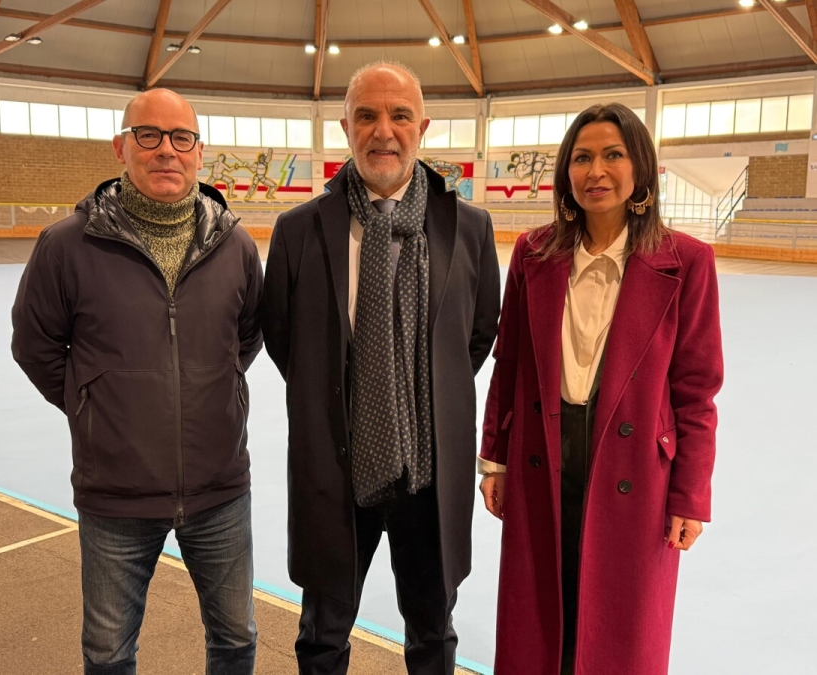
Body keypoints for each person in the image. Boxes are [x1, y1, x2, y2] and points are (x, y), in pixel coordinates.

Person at [11, 88, 262, 675]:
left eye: (181, 137)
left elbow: (246, 337)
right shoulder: (66, 245)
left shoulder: (236, 246)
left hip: (220, 489)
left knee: (236, 639)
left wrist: (212, 388)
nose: (166, 150)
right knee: (108, 652)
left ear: (199, 152)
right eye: (148, 135)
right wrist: (95, 404)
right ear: (120, 147)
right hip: (114, 495)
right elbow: (36, 346)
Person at [260, 61, 500, 675]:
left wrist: (423, 398)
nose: (383, 131)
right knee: (322, 634)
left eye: (399, 116)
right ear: (346, 127)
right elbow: (286, 342)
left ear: (422, 127)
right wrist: (346, 402)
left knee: (433, 633)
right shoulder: (298, 231)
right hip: (336, 468)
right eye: (366, 116)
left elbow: (475, 337)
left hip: (429, 471)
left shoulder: (469, 228)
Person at [478, 102, 724, 675]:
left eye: (613, 155)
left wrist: (690, 496)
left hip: (636, 467)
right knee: (541, 612)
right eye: (582, 158)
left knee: (618, 624)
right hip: (543, 451)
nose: (596, 171)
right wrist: (494, 459)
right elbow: (508, 363)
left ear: (640, 167)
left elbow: (696, 391)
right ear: (566, 172)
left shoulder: (688, 262)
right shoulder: (533, 254)